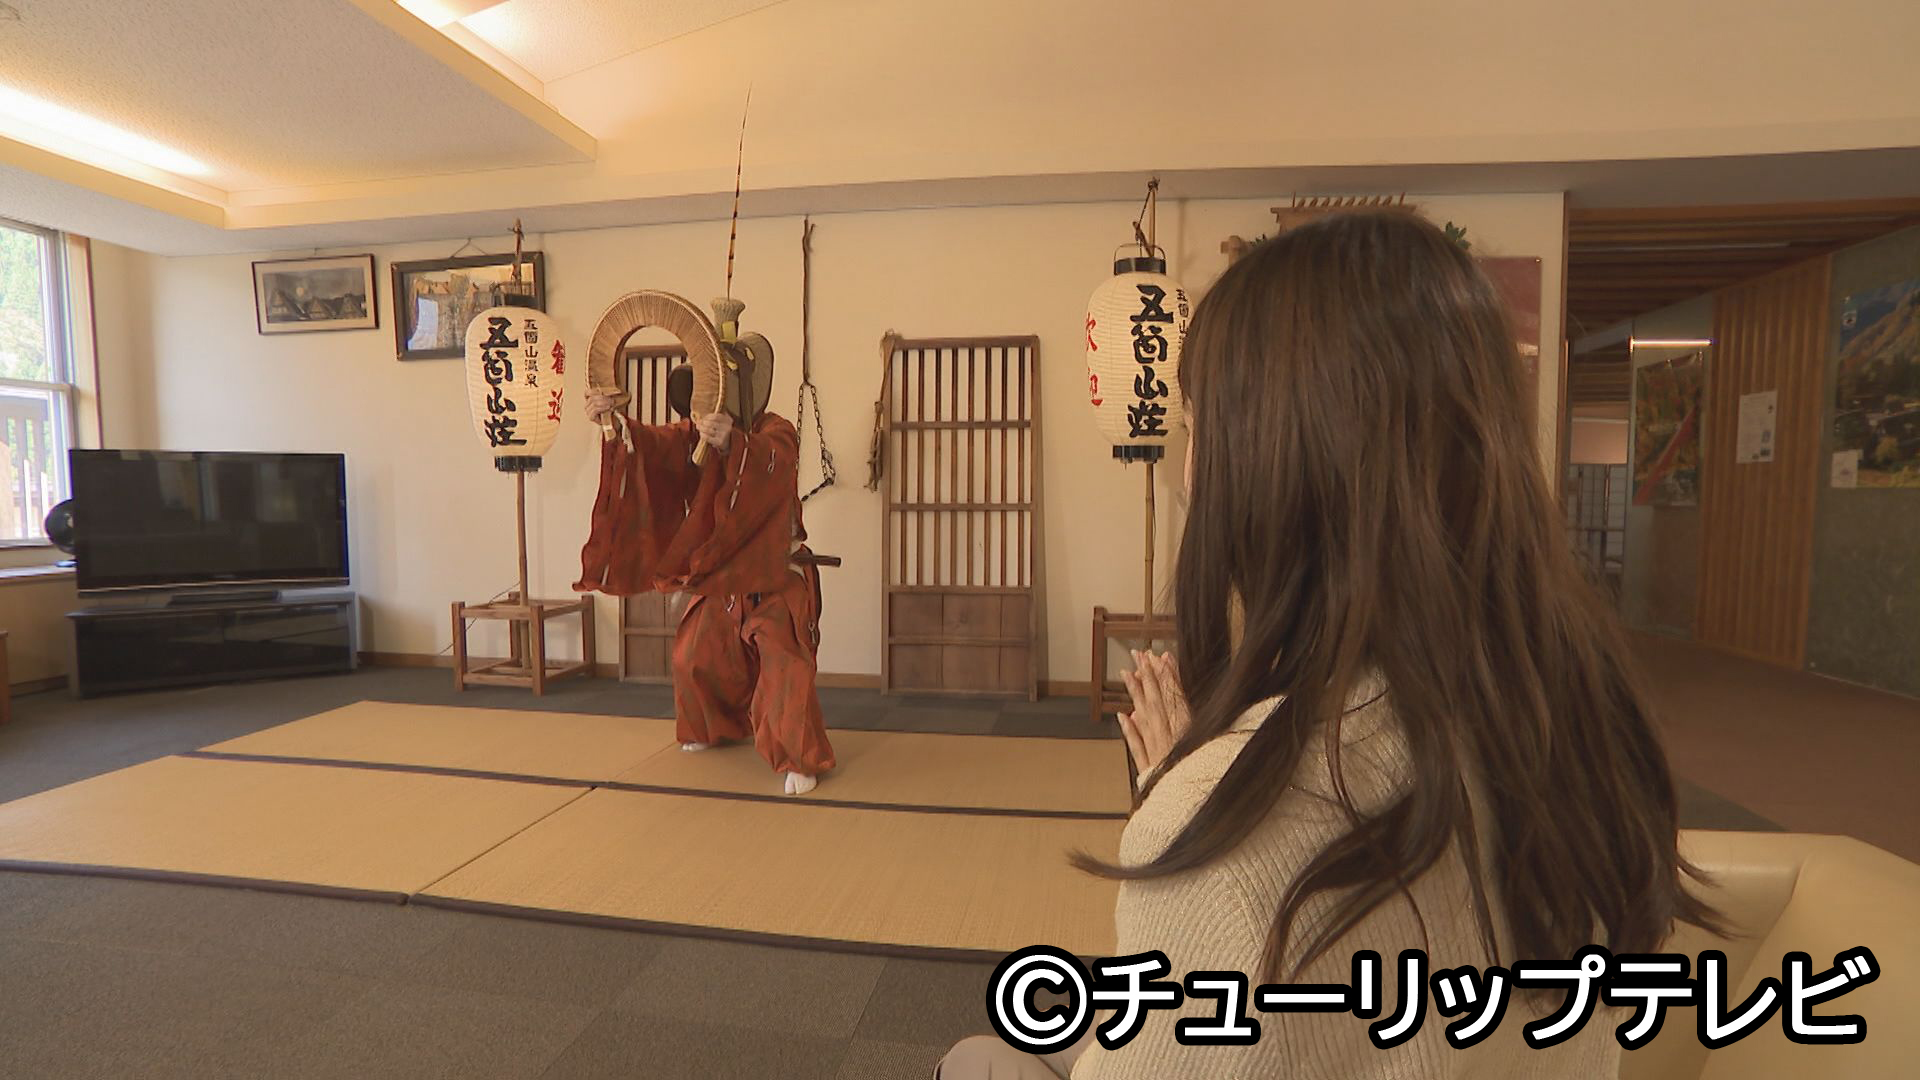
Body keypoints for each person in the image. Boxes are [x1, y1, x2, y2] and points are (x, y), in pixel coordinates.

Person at [940, 210, 1719, 1077]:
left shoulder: (1237, 840)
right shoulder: (1576, 720)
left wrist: (1179, 804)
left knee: (979, 1058)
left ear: (1279, 465)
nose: (1189, 476)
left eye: (1198, 430)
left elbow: (1234, 942)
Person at [577, 369, 835, 796]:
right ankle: (715, 727)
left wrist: (734, 444)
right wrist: (615, 422)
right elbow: (654, 447)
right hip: (723, 579)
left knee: (784, 667)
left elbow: (774, 459)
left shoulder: (775, 430)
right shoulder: (691, 435)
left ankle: (798, 756)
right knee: (694, 655)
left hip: (774, 575)